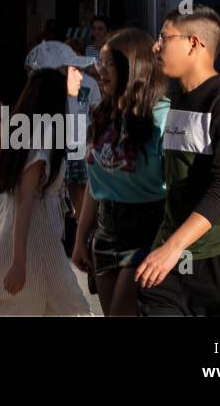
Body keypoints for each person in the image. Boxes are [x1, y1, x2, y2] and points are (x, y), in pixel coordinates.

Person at [136, 6, 220, 316]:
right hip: (173, 262)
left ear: (193, 43)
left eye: (164, 37)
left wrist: (171, 248)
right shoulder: (174, 99)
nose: (156, 46)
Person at [0, 68, 91, 316]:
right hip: (36, 235)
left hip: (16, 235)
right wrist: (18, 261)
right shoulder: (42, 138)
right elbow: (26, 199)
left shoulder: (24, 134)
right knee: (70, 307)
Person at [70, 28, 169, 316]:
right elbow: (95, 183)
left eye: (110, 64)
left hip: (147, 228)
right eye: (101, 63)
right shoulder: (103, 114)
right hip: (106, 229)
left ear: (133, 66)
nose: (102, 71)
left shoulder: (162, 116)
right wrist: (80, 238)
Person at [24, 39, 100, 217]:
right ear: (56, 75)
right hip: (37, 237)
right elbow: (23, 202)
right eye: (73, 69)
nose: (81, 76)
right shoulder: (40, 136)